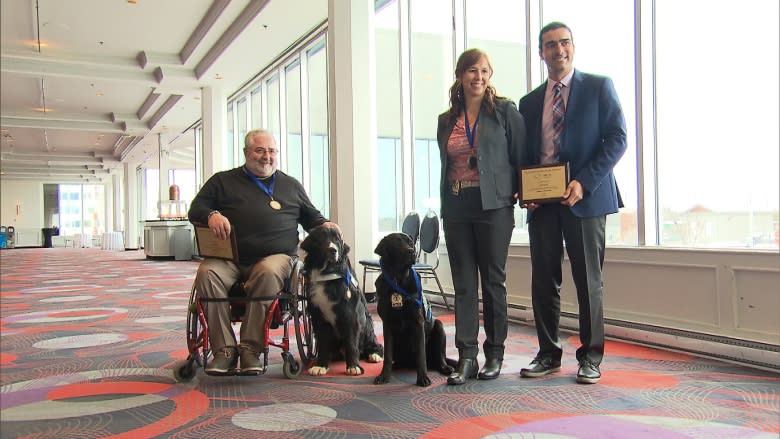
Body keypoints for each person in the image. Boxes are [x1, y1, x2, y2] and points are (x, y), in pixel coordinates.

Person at [517, 22, 627, 384]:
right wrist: (524, 189)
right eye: (550, 45)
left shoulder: (599, 87)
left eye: (564, 43)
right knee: (543, 282)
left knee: (588, 282)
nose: (558, 50)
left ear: (573, 48)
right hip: (543, 204)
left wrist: (584, 181)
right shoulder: (530, 102)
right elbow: (525, 152)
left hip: (586, 198)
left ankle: (591, 357)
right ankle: (548, 353)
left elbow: (617, 139)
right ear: (541, 53)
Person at [188, 129, 340, 374]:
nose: (266, 156)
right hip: (229, 258)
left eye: (271, 151)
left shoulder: (290, 185)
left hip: (275, 258)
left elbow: (312, 217)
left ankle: (250, 348)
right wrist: (212, 215)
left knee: (268, 272)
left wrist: (326, 225)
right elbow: (196, 208)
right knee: (206, 273)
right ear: (246, 152)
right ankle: (224, 350)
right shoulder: (223, 181)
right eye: (259, 150)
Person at [436, 48, 527, 385]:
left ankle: (495, 354)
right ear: (460, 75)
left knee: (492, 282)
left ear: (490, 76)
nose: (478, 77)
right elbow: (448, 166)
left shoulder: (504, 111)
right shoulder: (446, 121)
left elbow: (520, 156)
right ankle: (467, 357)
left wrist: (520, 190)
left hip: (494, 207)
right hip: (457, 205)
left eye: (485, 71)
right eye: (472, 70)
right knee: (462, 285)